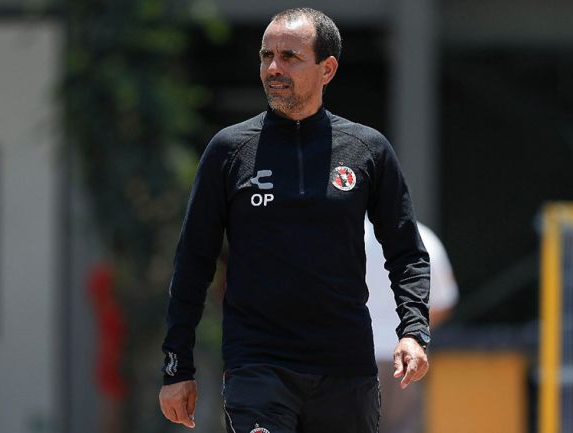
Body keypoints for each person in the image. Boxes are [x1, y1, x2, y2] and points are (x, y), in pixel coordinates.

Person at [159, 8, 431, 433]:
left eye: (289, 57)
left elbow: (407, 253)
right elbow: (193, 262)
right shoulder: (229, 150)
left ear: (327, 69)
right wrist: (177, 366)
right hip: (258, 366)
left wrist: (413, 331)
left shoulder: (367, 150)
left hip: (346, 369)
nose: (273, 68)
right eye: (266, 56)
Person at [365, 217, 458, 433]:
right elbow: (445, 301)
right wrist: (414, 334)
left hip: (356, 354)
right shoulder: (423, 237)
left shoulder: (347, 234)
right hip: (407, 358)